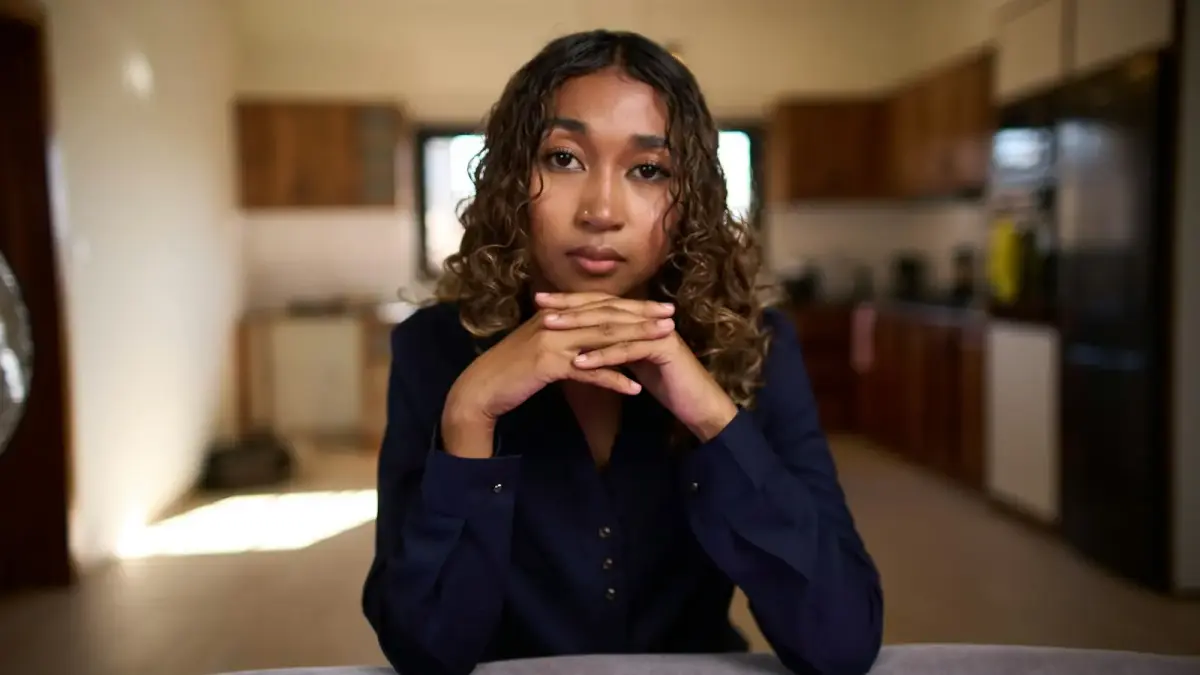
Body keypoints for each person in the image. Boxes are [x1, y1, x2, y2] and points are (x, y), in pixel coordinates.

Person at [362, 29, 883, 675]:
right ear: (509, 178)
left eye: (647, 169)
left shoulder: (759, 343)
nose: (602, 210)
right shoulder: (433, 348)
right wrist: (468, 414)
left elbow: (842, 642)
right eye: (563, 158)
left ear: (689, 195)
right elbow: (426, 650)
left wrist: (713, 417)